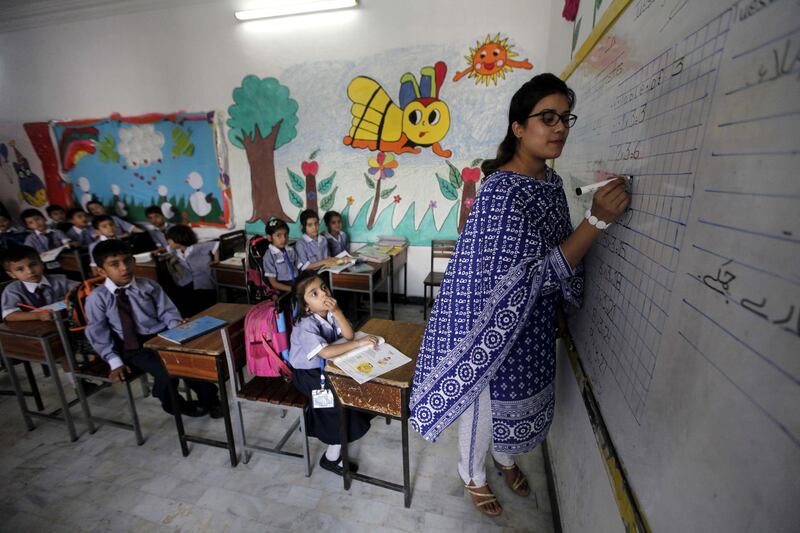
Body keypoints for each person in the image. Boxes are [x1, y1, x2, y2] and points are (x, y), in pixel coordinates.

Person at [409, 73, 630, 516]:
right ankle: (471, 474)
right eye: (546, 117)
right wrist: (597, 222)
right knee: (485, 404)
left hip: (531, 321)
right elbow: (528, 276)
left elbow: (553, 247)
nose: (560, 128)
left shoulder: (549, 180)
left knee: (517, 399)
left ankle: (504, 459)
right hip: (486, 325)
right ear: (518, 127)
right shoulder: (500, 193)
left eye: (565, 118)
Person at [84, 239, 222, 418]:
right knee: (167, 371)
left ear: (133, 260)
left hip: (162, 335)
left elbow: (167, 311)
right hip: (133, 346)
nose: (124, 268)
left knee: (191, 362)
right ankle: (174, 405)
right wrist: (114, 362)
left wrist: (176, 324)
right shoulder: (97, 298)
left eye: (127, 261)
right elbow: (98, 331)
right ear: (101, 270)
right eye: (114, 264)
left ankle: (210, 400)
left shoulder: (148, 286)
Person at [289, 270, 377, 475]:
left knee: (358, 383)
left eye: (323, 288)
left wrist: (337, 311)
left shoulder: (327, 313)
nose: (323, 294)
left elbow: (348, 335)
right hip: (307, 375)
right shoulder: (305, 325)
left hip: (324, 368)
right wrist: (359, 343)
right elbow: (326, 351)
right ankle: (331, 458)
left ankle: (342, 425)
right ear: (306, 305)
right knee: (337, 400)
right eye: (314, 293)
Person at [1, 246, 78, 322]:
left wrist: (71, 298)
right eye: (20, 269)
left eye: (33, 265)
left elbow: (81, 289)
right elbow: (9, 315)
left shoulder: (60, 280)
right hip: (35, 329)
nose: (30, 271)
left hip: (66, 320)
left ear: (42, 264)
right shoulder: (12, 291)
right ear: (12, 274)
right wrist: (38, 315)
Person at [164, 224, 218, 317]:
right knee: (187, 302)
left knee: (207, 304)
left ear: (178, 239)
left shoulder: (197, 248)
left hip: (204, 281)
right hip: (188, 282)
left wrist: (216, 260)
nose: (168, 242)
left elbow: (216, 245)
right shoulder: (176, 251)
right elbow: (168, 248)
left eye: (169, 240)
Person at [262, 218, 301, 294]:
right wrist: (293, 289)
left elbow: (298, 268)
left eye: (286, 235)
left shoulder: (290, 250)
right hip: (283, 288)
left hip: (296, 282)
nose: (283, 239)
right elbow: (274, 283)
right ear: (270, 237)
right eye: (278, 235)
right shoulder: (269, 256)